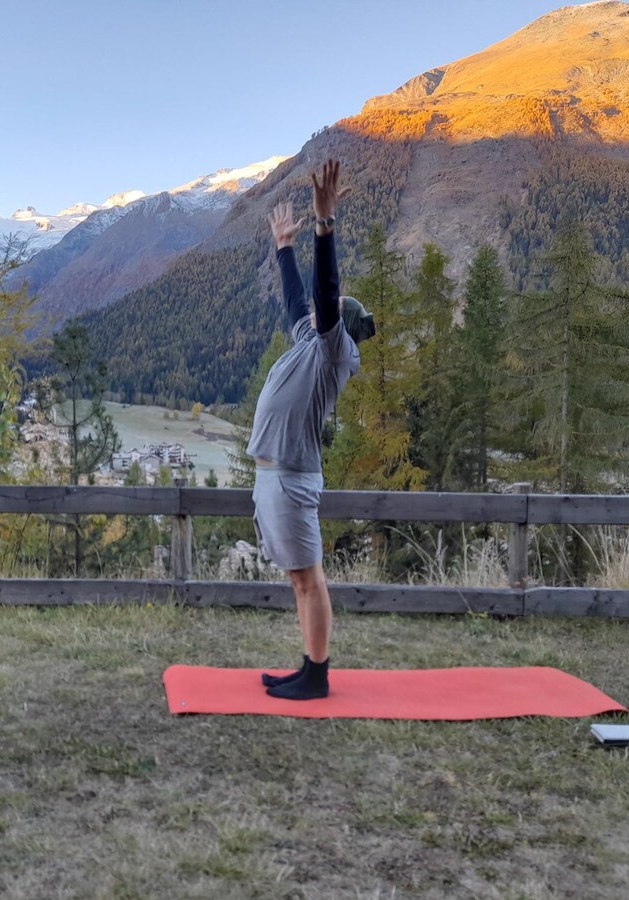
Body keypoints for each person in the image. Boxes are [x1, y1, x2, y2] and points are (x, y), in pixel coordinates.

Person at [247, 159, 371, 700]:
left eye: (335, 311)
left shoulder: (332, 350)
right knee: (299, 578)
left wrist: (325, 228)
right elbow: (301, 301)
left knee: (308, 578)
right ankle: (306, 668)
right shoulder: (309, 339)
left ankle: (316, 677)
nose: (325, 312)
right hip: (277, 475)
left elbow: (324, 292)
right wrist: (282, 248)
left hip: (293, 477)